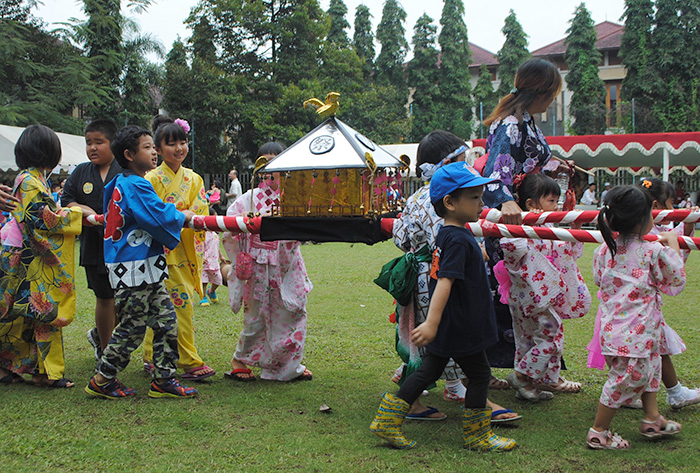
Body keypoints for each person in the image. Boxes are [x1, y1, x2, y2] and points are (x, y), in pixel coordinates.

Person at [370, 162, 516, 452]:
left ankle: (387, 420)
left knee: (426, 372)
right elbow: (446, 281)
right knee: (479, 376)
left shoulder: (451, 235)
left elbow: (456, 265)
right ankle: (477, 436)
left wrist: (480, 255)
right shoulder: (458, 239)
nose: (481, 202)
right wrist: (432, 323)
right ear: (450, 202)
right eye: (474, 197)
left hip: (452, 323)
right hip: (461, 324)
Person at [391, 130, 519, 423]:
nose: (480, 201)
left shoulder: (416, 197)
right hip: (441, 283)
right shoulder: (450, 215)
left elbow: (401, 236)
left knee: (436, 352)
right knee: (444, 342)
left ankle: (450, 392)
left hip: (424, 275)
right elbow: (451, 251)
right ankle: (467, 404)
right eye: (460, 160)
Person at [85, 125, 198, 399]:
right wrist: (183, 215)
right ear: (128, 154)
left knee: (167, 322)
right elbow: (157, 215)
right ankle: (103, 378)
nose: (154, 152)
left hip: (147, 269)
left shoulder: (121, 183)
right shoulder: (134, 184)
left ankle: (164, 379)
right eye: (148, 147)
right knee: (132, 328)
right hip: (133, 271)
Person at [588, 177, 700, 409]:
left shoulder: (603, 248)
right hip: (638, 326)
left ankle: (653, 416)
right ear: (643, 218)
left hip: (614, 325)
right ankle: (599, 430)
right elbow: (675, 280)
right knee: (621, 381)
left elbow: (599, 279)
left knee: (649, 367)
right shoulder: (652, 249)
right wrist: (673, 245)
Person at [0, 125, 85, 387]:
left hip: (19, 251)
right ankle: (43, 372)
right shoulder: (29, 181)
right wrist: (82, 217)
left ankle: (26, 369)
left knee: (20, 312)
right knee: (34, 310)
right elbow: (44, 217)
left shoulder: (32, 179)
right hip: (24, 255)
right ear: (51, 153)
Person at [221, 141, 313, 382]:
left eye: (276, 162)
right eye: (265, 163)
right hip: (258, 264)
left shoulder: (295, 197)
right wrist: (251, 222)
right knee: (256, 317)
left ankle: (287, 366)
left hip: (287, 263)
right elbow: (231, 224)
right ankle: (239, 360)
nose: (271, 169)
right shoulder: (249, 197)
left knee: (293, 312)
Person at [499, 173, 591, 400]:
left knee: (530, 339)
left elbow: (567, 253)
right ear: (531, 204)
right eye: (551, 200)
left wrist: (575, 229)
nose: (556, 205)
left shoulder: (548, 227)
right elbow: (512, 251)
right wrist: (523, 223)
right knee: (550, 338)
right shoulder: (521, 227)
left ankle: (531, 386)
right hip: (531, 296)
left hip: (542, 296)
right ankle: (522, 375)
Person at [142, 115, 215, 381]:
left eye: (183, 142)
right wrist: (178, 213)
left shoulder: (194, 179)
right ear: (158, 150)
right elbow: (153, 212)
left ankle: (151, 355)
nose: (179, 148)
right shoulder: (150, 179)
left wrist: (177, 213)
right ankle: (188, 359)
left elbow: (201, 208)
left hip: (184, 251)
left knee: (163, 305)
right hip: (160, 252)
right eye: (171, 143)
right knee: (179, 305)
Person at [62, 119, 122, 361]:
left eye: (99, 142)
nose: (93, 148)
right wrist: (85, 210)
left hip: (122, 247)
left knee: (128, 301)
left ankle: (99, 334)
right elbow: (67, 200)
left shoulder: (125, 169)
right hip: (94, 247)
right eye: (89, 143)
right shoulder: (81, 172)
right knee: (105, 297)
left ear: (113, 144)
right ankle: (106, 350)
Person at [199, 213, 223, 307]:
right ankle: (203, 297)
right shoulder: (203, 234)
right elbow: (199, 246)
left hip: (214, 261)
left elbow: (217, 246)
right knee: (204, 280)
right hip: (204, 262)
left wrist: (221, 256)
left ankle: (211, 291)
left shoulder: (215, 234)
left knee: (218, 279)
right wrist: (201, 256)